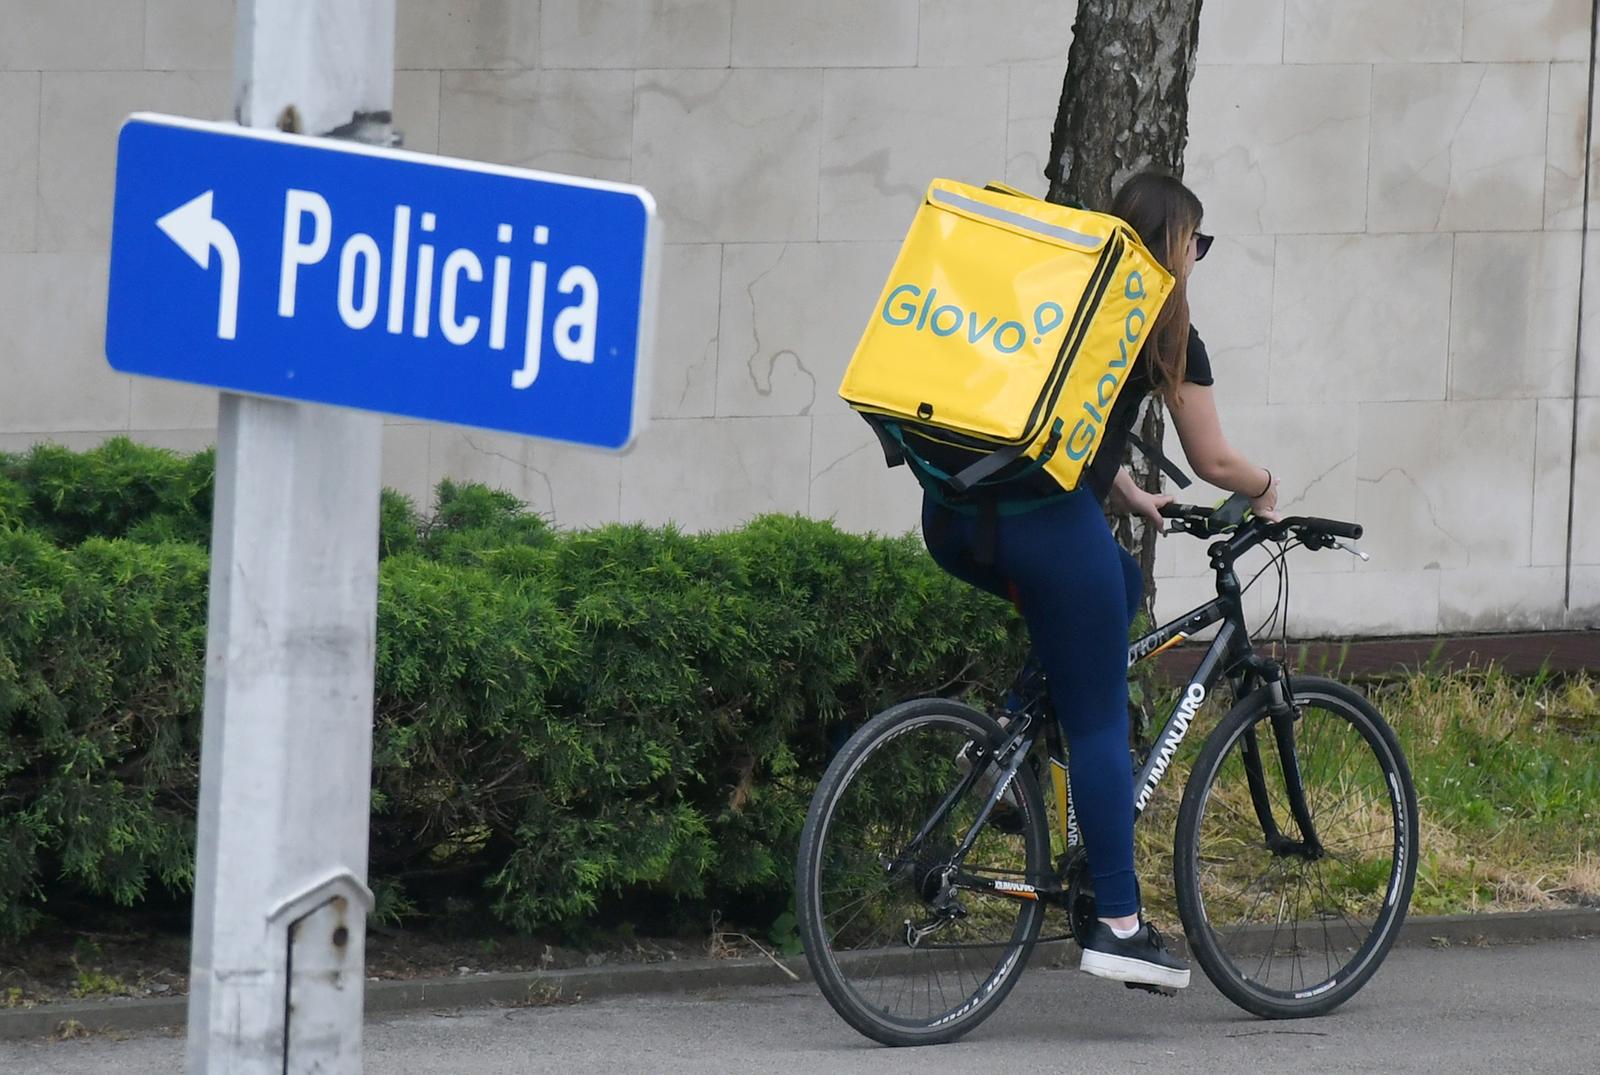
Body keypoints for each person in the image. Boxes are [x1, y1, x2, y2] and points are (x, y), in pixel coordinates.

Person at [918, 172, 1280, 991]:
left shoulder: (1064, 290)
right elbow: (1213, 460)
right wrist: (1264, 487)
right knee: (1097, 721)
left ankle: (1008, 735)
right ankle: (1119, 922)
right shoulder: (1164, 324)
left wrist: (1124, 489)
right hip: (1045, 526)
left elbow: (1056, 421)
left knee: (1115, 586)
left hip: (957, 515)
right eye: (1199, 247)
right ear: (1177, 250)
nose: (1197, 264)